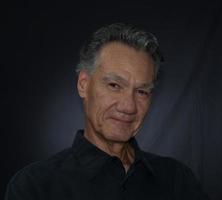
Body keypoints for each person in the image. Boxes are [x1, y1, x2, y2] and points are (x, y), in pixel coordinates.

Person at [5, 23, 209, 200]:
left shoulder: (177, 180)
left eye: (141, 91)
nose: (128, 106)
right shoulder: (35, 187)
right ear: (83, 84)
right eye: (114, 85)